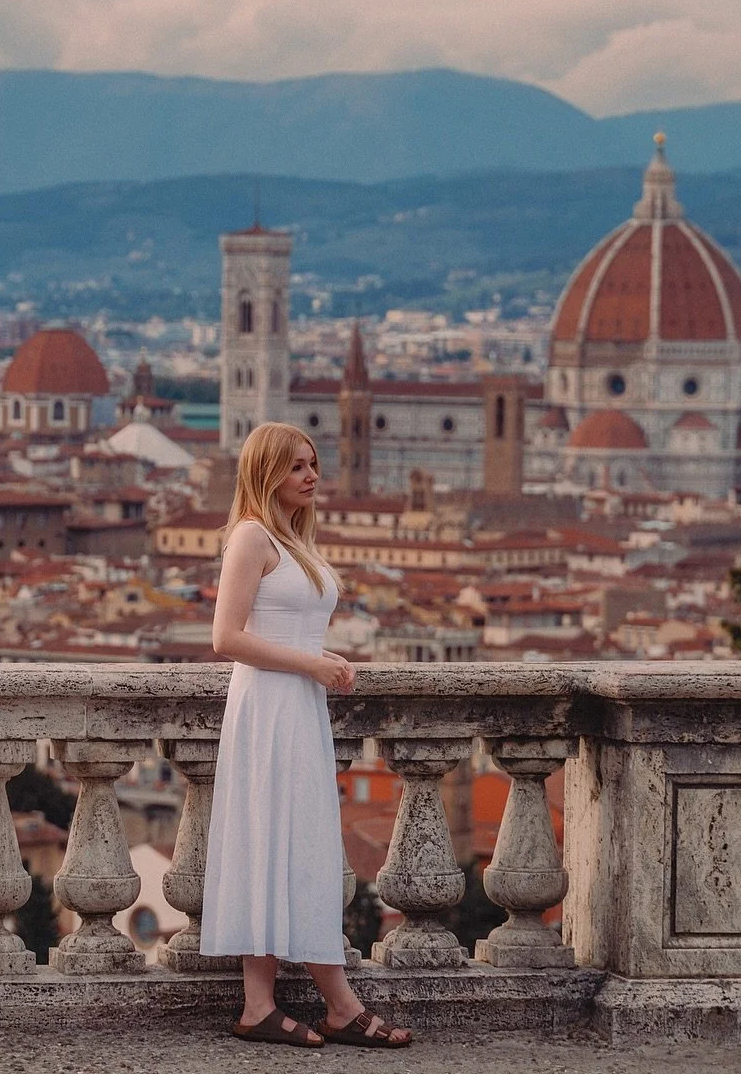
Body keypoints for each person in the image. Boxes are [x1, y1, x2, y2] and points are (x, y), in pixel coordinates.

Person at [201, 421, 413, 1050]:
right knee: (279, 841)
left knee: (290, 844)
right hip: (268, 707)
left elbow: (282, 627)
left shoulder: (292, 540)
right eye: (296, 467)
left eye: (313, 463)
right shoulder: (250, 537)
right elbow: (225, 638)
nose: (311, 475)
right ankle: (338, 1006)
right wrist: (312, 664)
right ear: (266, 472)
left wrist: (320, 659)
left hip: (296, 707)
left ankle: (259, 1005)